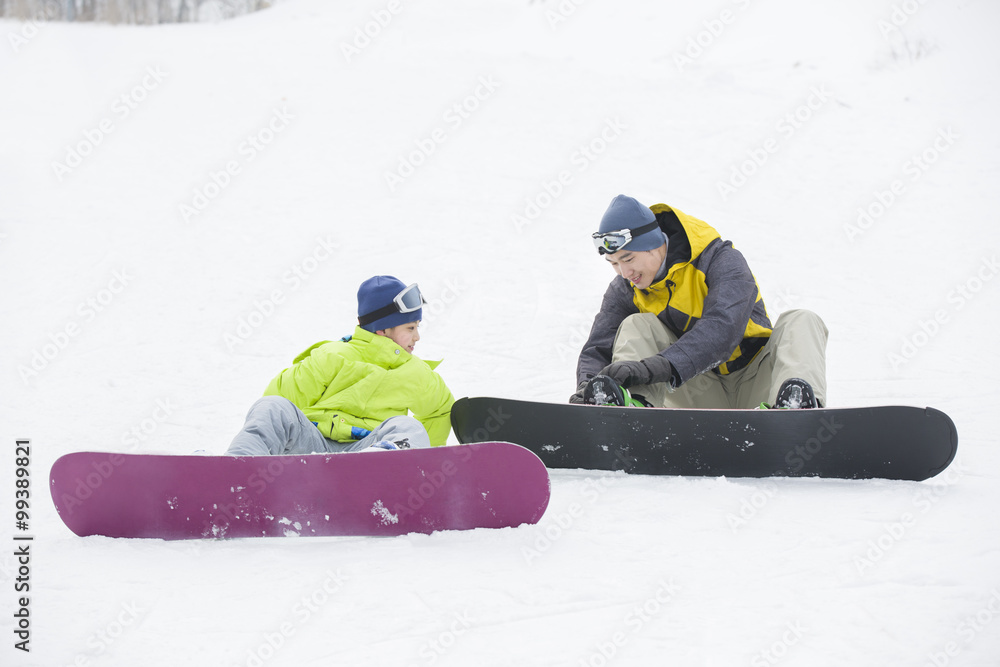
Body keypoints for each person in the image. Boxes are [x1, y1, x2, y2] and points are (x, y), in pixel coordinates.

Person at [571, 194, 828, 410]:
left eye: (628, 259)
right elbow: (598, 346)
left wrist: (656, 367)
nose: (624, 273)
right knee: (637, 325)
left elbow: (723, 329)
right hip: (695, 393)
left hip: (757, 382)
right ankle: (628, 411)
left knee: (802, 319)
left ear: (654, 244)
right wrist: (588, 387)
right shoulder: (626, 289)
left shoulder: (719, 260)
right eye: (613, 264)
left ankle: (795, 411)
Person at [225, 275, 454, 456]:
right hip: (312, 449)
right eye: (410, 328)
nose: (417, 337)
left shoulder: (416, 374)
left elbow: (440, 411)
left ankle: (388, 468)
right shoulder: (333, 356)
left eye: (417, 327)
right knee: (272, 407)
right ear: (382, 329)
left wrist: (427, 457)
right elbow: (279, 398)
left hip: (366, 453)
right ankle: (235, 473)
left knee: (406, 427)